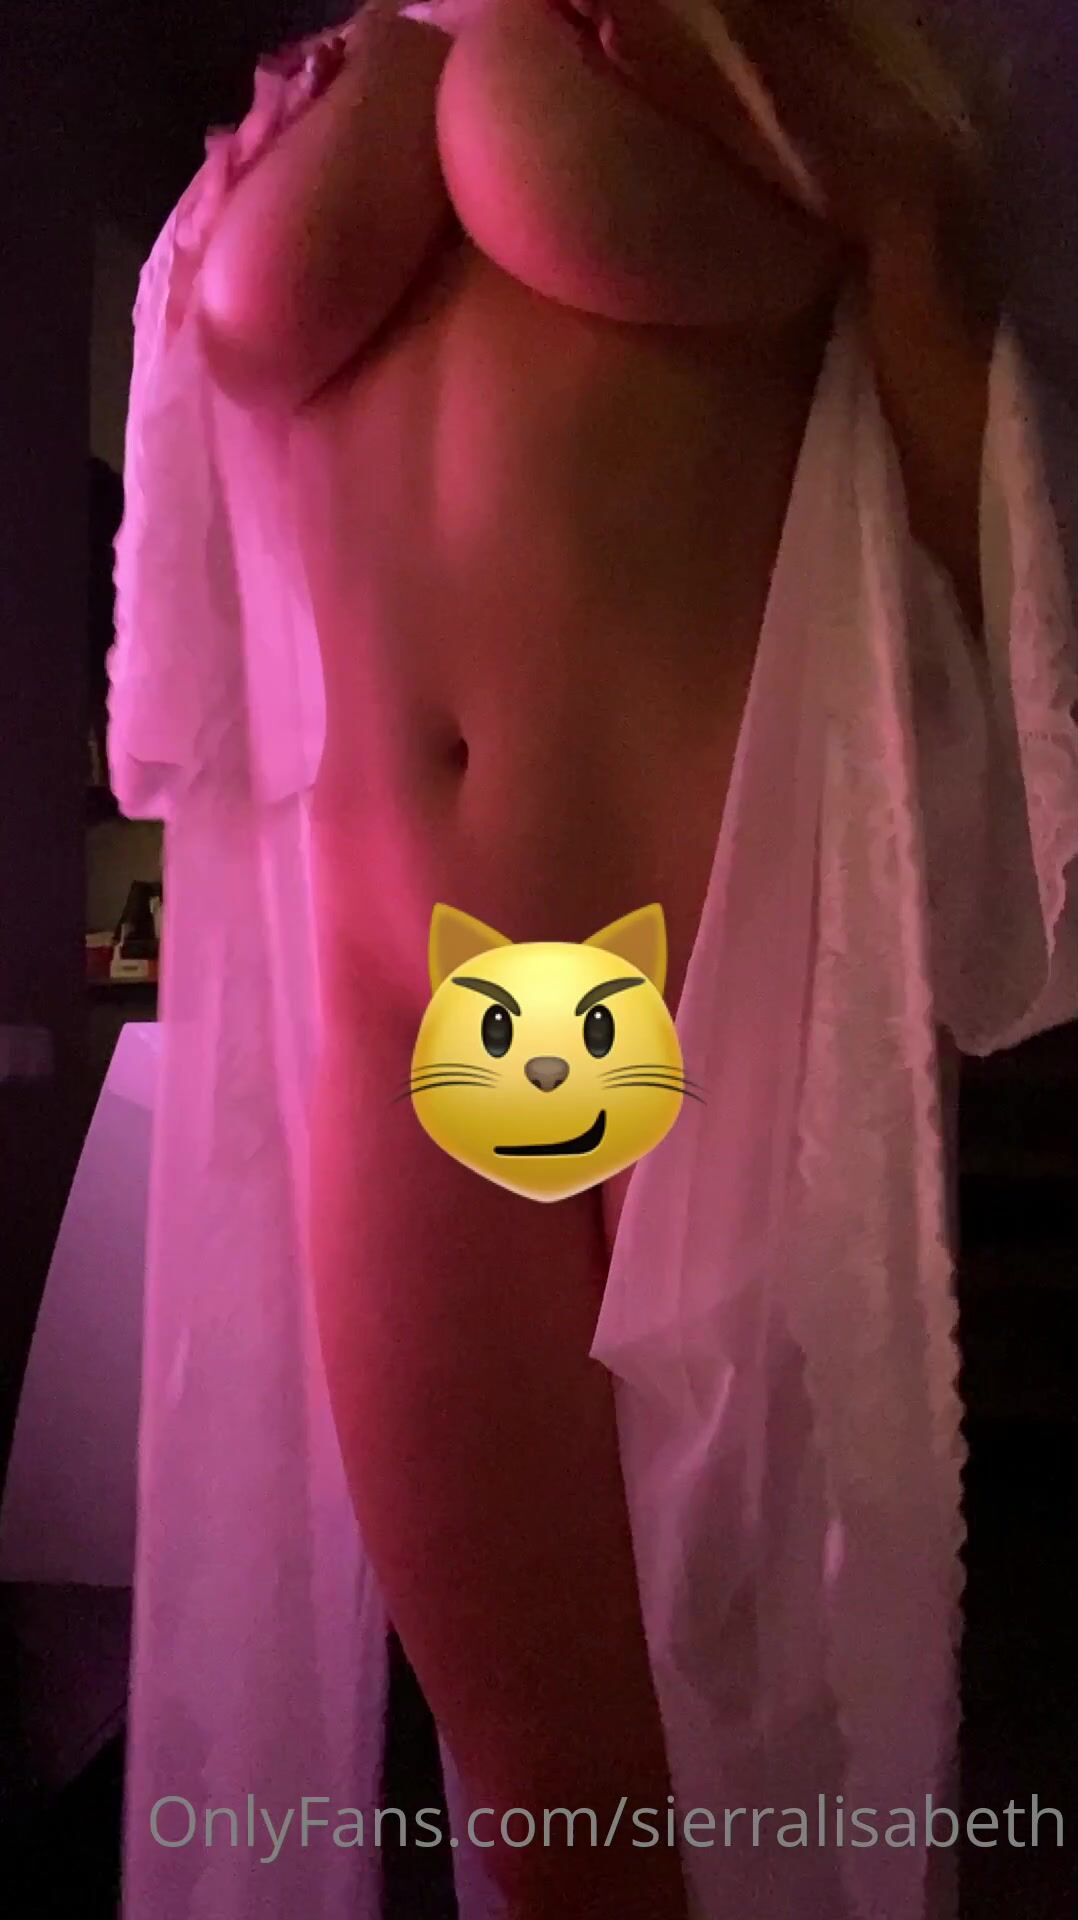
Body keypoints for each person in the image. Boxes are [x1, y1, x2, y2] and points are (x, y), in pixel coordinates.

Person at [110, 4, 1078, 1918]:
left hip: (690, 969)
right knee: (545, 1798)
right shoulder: (337, 69)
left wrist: (903, 223)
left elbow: (981, 535)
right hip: (396, 1000)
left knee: (747, 1751)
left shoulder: (797, 45)